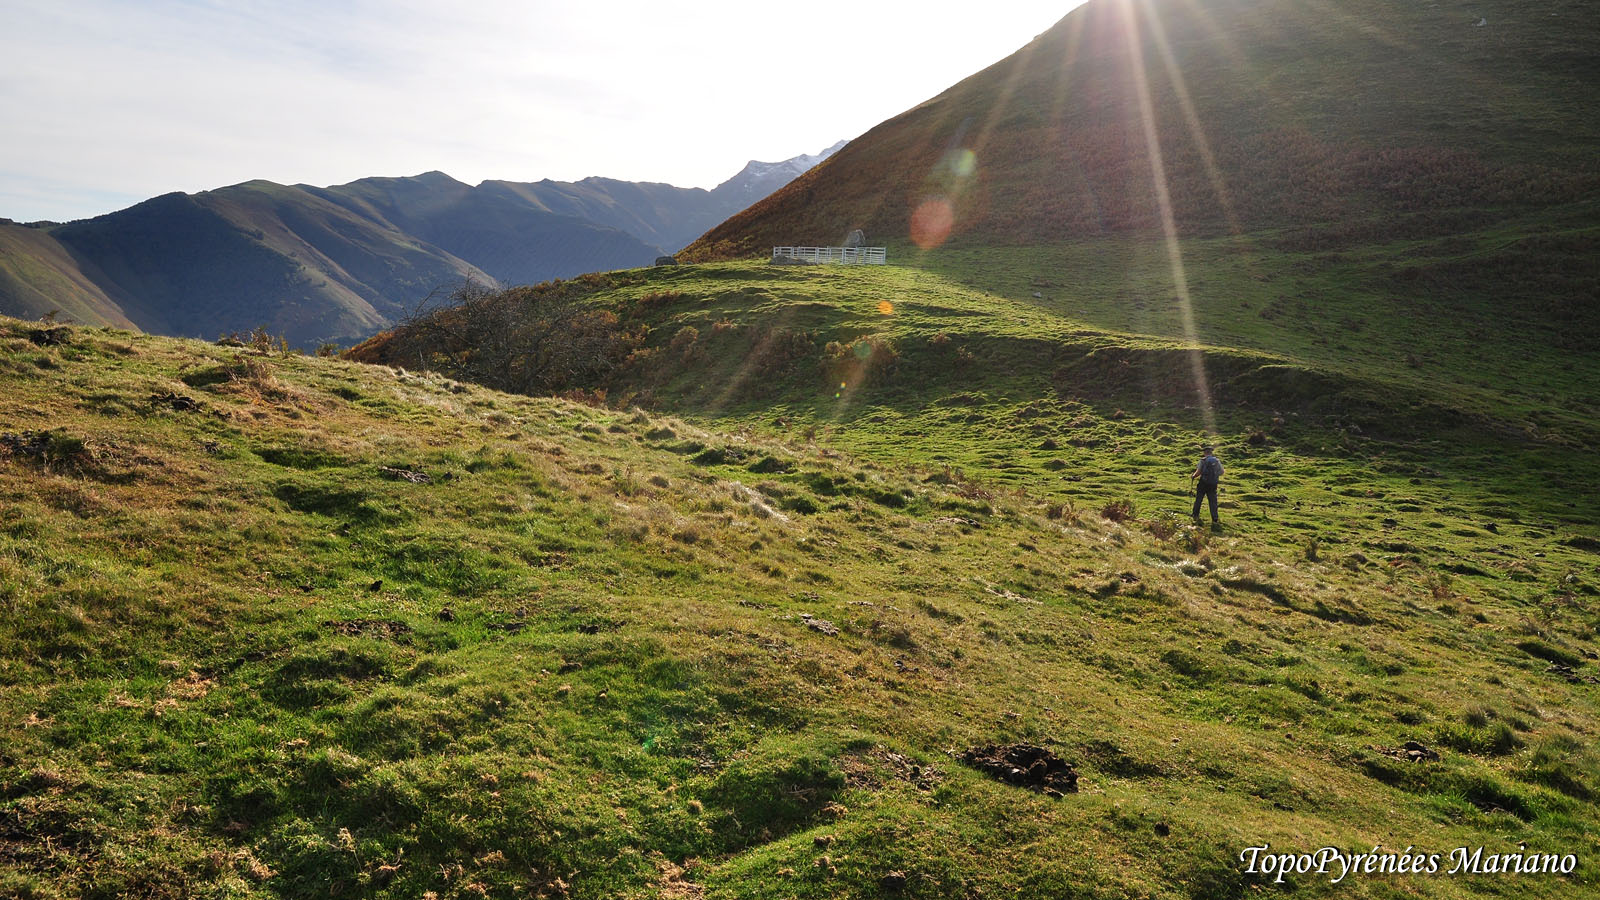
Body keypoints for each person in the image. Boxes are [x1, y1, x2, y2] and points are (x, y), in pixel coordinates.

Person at [1191, 445, 1223, 525]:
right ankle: (1215, 518)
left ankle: (1195, 515)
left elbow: (1198, 472)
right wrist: (1215, 476)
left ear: (1205, 453)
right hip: (1213, 484)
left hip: (1203, 483)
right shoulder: (1217, 461)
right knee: (1213, 501)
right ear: (1211, 452)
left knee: (1199, 499)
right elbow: (1222, 472)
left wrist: (1193, 476)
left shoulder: (1203, 461)